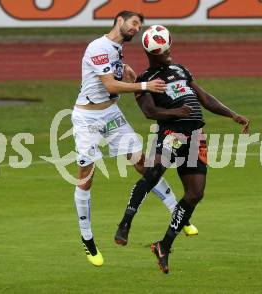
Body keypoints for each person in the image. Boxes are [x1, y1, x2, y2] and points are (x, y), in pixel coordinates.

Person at [72, 11, 198, 267]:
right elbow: (108, 85)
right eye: (134, 23)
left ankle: (179, 215)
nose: (136, 28)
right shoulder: (99, 46)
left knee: (144, 165)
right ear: (119, 20)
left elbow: (114, 79)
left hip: (110, 115)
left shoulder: (116, 50)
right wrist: (144, 87)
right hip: (87, 119)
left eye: (139, 25)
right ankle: (88, 240)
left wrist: (128, 73)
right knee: (86, 177)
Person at [114, 40, 250, 274]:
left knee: (195, 193)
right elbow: (149, 112)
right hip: (173, 133)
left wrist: (232, 114)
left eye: (168, 48)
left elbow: (205, 98)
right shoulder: (146, 79)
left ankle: (163, 246)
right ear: (153, 54)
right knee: (154, 173)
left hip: (196, 136)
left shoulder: (181, 70)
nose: (169, 53)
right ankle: (125, 223)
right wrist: (175, 112)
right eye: (164, 51)